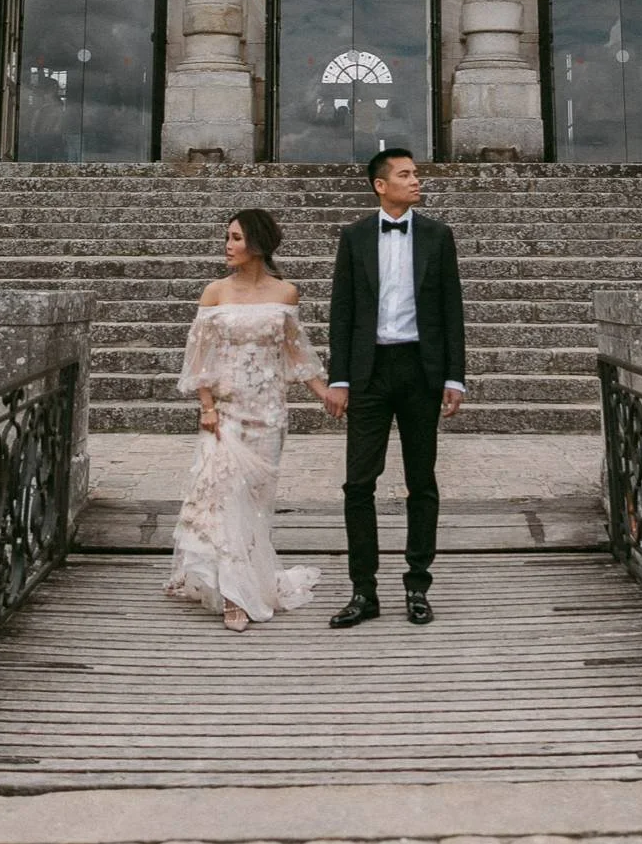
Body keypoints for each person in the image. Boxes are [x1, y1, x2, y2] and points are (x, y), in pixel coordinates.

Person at [166, 208, 334, 633]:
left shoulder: (285, 294)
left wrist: (325, 394)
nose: (228, 245)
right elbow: (199, 358)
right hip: (226, 411)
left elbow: (298, 355)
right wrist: (206, 407)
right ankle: (233, 595)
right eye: (227, 237)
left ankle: (252, 577)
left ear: (257, 243)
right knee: (225, 500)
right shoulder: (215, 293)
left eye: (236, 238)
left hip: (269, 413)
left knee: (255, 507)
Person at [324, 147, 467, 627]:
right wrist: (338, 379)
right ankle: (363, 591)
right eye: (405, 175)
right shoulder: (355, 237)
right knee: (358, 484)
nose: (416, 181)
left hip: (421, 371)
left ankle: (417, 584)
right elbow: (341, 312)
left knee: (421, 481)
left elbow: (452, 311)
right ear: (380, 185)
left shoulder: (438, 236)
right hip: (368, 373)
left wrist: (454, 376)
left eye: (416, 174)